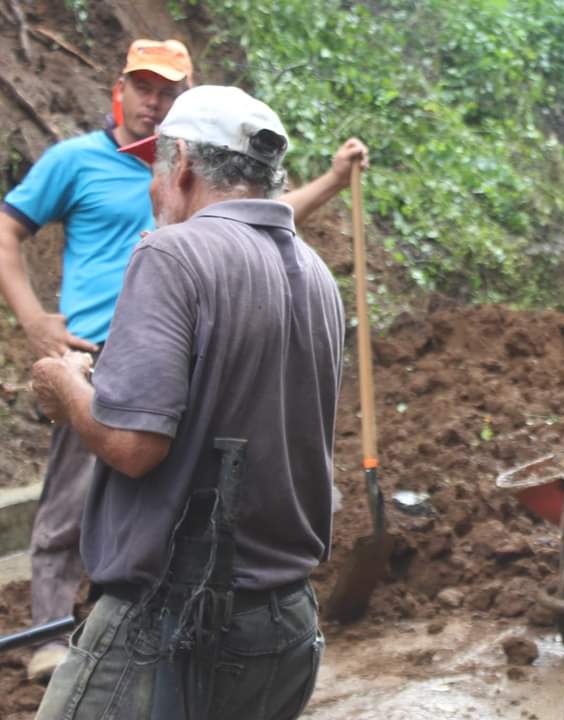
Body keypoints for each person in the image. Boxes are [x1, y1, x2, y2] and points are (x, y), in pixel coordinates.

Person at [0, 38, 365, 682]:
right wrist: (36, 323)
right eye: (143, 86)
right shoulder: (314, 274)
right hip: (283, 619)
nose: (151, 187)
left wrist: (61, 385)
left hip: (174, 618)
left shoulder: (170, 253)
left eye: (159, 167)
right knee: (64, 516)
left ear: (185, 164)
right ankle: (54, 631)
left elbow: (135, 447)